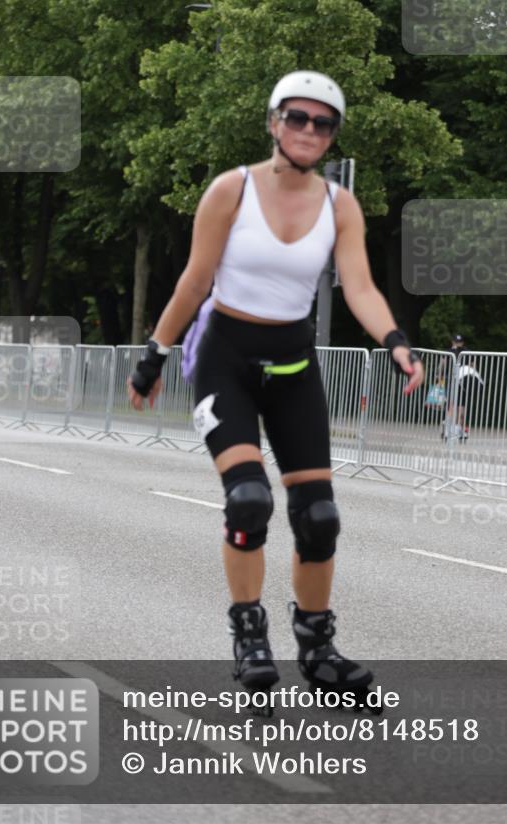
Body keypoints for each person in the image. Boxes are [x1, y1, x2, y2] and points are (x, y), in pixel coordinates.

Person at [127, 71, 424, 693]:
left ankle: (318, 650)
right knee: (248, 501)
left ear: (333, 134)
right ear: (273, 122)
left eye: (323, 122)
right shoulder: (229, 191)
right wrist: (154, 354)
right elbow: (193, 280)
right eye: (297, 117)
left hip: (293, 366)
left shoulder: (340, 205)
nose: (309, 130)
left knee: (318, 517)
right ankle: (249, 636)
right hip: (224, 360)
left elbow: (361, 286)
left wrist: (394, 341)